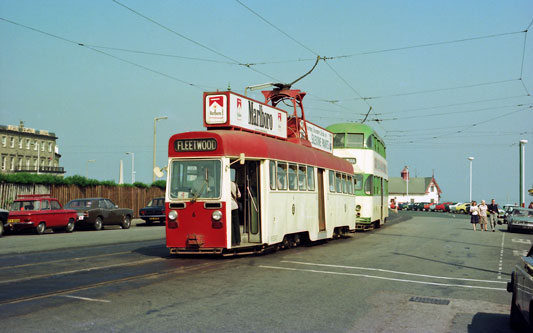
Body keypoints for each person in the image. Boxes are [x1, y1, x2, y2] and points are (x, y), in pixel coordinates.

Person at [231, 178, 241, 246]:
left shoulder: (222, 183)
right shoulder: (234, 184)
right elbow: (239, 195)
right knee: (236, 224)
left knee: (230, 224)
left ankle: (233, 241)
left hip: (228, 207)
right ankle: (238, 241)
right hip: (235, 206)